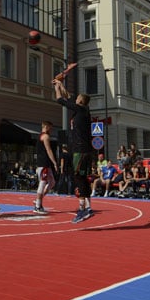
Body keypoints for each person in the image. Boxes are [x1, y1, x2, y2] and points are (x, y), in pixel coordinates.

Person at [54, 77, 94, 223]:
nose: (74, 98)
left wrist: (56, 89)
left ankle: (82, 209)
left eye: (77, 98)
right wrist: (60, 83)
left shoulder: (80, 109)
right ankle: (88, 207)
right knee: (82, 178)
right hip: (84, 148)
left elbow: (60, 99)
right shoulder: (83, 110)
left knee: (78, 177)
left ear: (81, 101)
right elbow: (68, 95)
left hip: (80, 149)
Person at [34, 120, 58, 214]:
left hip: (45, 164)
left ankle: (38, 200)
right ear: (46, 127)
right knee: (43, 182)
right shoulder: (45, 136)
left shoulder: (40, 136)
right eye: (50, 128)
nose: (51, 130)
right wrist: (55, 163)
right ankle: (37, 206)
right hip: (43, 163)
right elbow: (49, 150)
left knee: (52, 183)